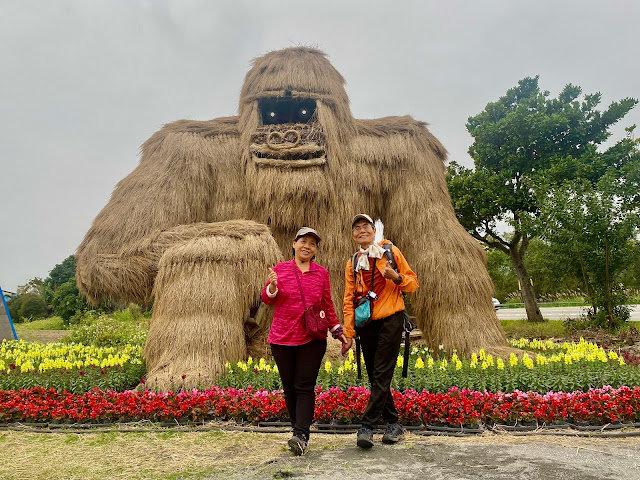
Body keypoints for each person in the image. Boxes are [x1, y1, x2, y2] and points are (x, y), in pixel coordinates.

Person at [261, 227, 348, 456]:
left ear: (316, 249)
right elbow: (266, 300)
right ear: (294, 244)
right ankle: (296, 431)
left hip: (312, 338)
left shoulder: (321, 273)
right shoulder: (279, 270)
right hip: (281, 338)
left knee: (304, 385)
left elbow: (327, 306)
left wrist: (338, 332)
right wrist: (272, 287)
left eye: (312, 243)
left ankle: (301, 435)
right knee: (289, 388)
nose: (307, 246)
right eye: (303, 241)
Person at [342, 214, 419, 448]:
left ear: (374, 230)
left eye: (366, 226)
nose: (362, 230)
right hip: (366, 323)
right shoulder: (353, 261)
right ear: (353, 235)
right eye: (357, 228)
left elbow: (413, 284)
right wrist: (348, 331)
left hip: (390, 320)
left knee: (381, 372)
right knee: (377, 374)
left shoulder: (390, 252)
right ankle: (394, 423)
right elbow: (349, 298)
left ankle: (367, 426)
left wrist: (395, 277)